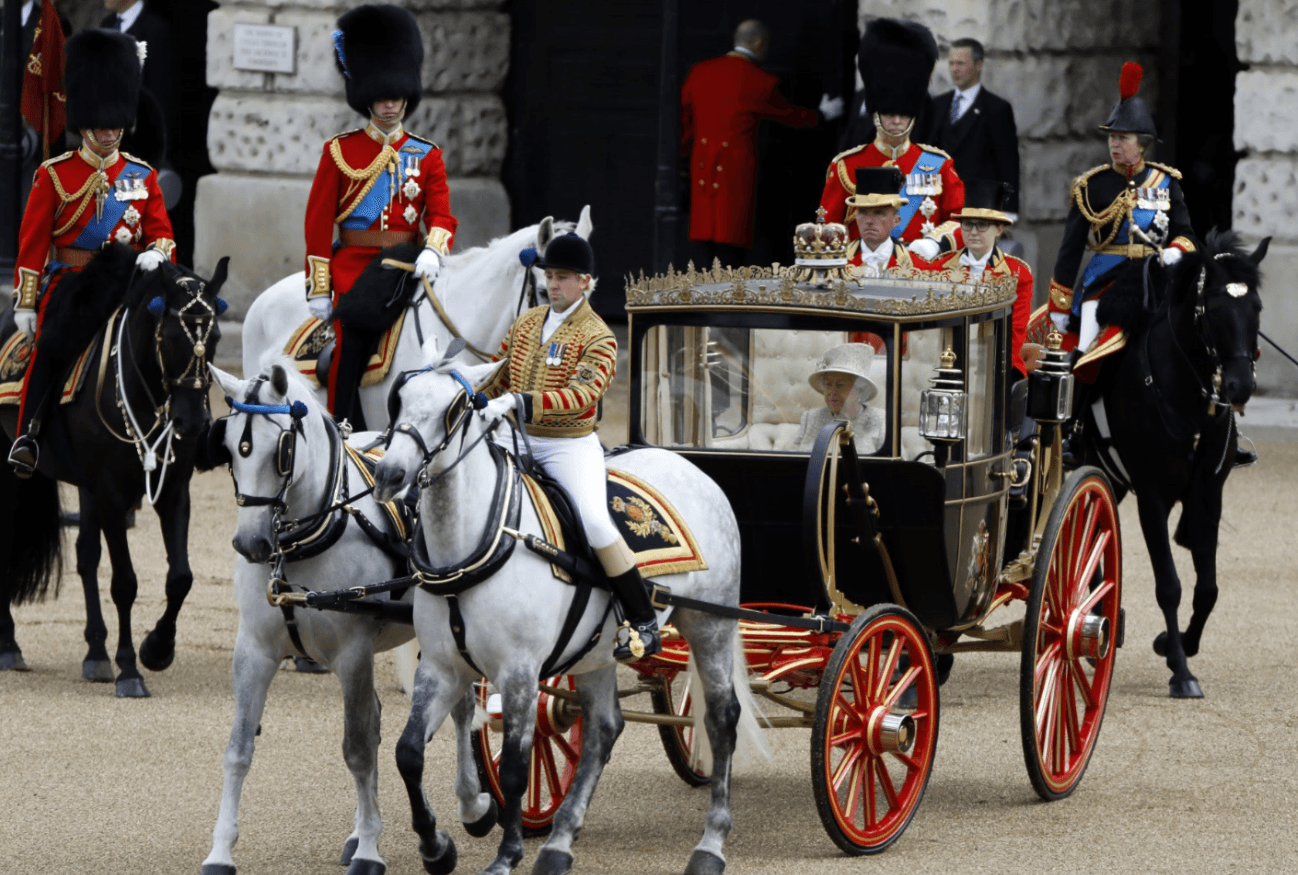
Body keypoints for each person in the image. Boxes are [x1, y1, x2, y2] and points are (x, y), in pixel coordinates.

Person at [477, 233, 661, 663]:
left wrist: (524, 402)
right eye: (549, 276)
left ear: (586, 282)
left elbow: (582, 395)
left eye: (562, 277)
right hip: (513, 432)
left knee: (596, 523)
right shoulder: (526, 322)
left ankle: (642, 616)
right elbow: (498, 374)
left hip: (568, 445)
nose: (552, 284)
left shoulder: (600, 336)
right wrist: (464, 387)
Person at [8, 28, 176, 477]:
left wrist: (157, 253)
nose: (110, 132)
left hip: (127, 284)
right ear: (84, 124)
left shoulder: (142, 175)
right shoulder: (55, 175)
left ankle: (172, 433)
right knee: (50, 348)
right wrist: (26, 301)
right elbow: (31, 245)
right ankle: (29, 434)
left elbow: (162, 233)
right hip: (72, 282)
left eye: (116, 124)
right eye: (102, 125)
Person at [304, 3, 457, 428]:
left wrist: (434, 249)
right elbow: (317, 225)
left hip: (409, 264)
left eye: (396, 96)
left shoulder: (427, 155)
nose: (390, 105)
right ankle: (339, 423)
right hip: (354, 267)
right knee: (350, 339)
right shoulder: (340, 152)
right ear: (367, 97)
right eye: (382, 97)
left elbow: (443, 216)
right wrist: (319, 286)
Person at [1046, 62, 1195, 359]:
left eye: (1123, 138)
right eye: (1112, 137)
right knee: (1085, 348)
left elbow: (1185, 231)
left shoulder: (1165, 182)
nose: (1115, 144)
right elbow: (1071, 249)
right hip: (1105, 277)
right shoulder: (1091, 185)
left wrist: (1176, 250)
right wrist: (1059, 304)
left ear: (1141, 145)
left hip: (1155, 272)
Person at [680, 18, 842, 267]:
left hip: (702, 167)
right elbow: (790, 116)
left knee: (707, 245)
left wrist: (683, 166)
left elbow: (686, 126)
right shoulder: (759, 81)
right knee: (731, 247)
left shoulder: (698, 73)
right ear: (759, 43)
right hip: (736, 173)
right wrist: (822, 114)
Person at [819, 18, 963, 253]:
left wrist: (934, 242)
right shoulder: (846, 165)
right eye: (890, 113)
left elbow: (959, 220)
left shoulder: (939, 165)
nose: (897, 121)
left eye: (904, 114)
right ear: (876, 113)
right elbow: (827, 228)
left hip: (922, 277)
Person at [919, 180, 1037, 379]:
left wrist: (985, 364)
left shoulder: (1018, 274)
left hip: (999, 362)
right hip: (948, 359)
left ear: (999, 229)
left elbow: (1015, 333)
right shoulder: (939, 268)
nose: (973, 232)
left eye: (981, 225)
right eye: (967, 224)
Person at [927, 39, 1021, 219]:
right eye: (951, 63)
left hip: (977, 206)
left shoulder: (997, 109)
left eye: (961, 63)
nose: (954, 69)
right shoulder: (937, 105)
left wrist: (1008, 209)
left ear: (979, 65)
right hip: (939, 205)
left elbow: (1007, 162)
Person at [795, 343, 885, 455]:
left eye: (840, 385)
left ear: (859, 390)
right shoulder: (809, 418)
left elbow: (897, 469)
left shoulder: (881, 420)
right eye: (828, 384)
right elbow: (792, 464)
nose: (832, 392)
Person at [844, 167, 925, 277]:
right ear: (856, 217)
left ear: (896, 220)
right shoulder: (837, 263)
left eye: (878, 213)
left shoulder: (918, 267)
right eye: (863, 212)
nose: (869, 221)